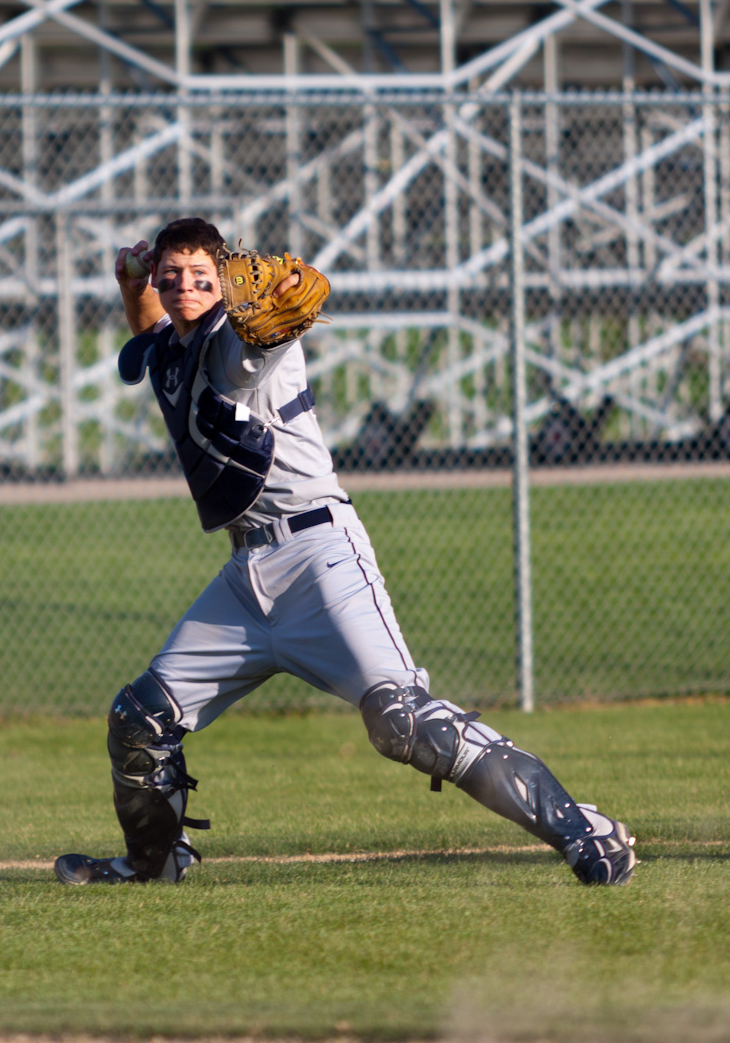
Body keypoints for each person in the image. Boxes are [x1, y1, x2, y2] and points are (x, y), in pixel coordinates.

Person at [54, 217, 636, 888]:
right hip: (247, 576)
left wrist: (271, 317)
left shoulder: (236, 340)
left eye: (202, 277)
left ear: (226, 282)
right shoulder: (173, 347)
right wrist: (131, 285)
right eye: (171, 275)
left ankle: (584, 829)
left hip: (319, 555)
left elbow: (255, 339)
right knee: (139, 719)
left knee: (403, 722)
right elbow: (154, 329)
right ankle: (153, 866)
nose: (185, 286)